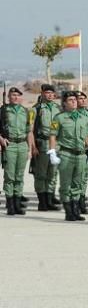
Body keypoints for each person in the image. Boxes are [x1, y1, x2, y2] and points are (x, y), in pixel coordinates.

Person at [48, 91, 88, 221]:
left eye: (75, 99)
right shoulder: (59, 118)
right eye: (70, 100)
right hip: (66, 154)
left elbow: (87, 135)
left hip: (80, 155)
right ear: (64, 103)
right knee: (65, 184)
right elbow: (53, 135)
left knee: (78, 183)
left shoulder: (84, 117)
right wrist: (52, 152)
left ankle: (75, 210)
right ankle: (68, 211)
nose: (74, 101)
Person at [1, 87, 35, 215]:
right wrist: (1, 139)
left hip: (22, 145)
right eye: (12, 95)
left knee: (19, 176)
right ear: (8, 97)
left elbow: (29, 132)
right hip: (10, 144)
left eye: (17, 95)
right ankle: (10, 205)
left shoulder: (26, 111)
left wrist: (30, 149)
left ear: (21, 98)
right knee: (10, 176)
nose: (15, 97)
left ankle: (17, 203)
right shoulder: (3, 110)